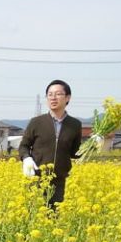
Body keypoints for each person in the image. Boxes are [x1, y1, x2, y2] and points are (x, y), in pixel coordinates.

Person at [18, 79, 84, 208]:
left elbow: (76, 153)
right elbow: (24, 145)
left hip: (58, 181)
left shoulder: (75, 125)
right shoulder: (36, 122)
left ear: (67, 98)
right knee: (34, 215)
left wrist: (98, 143)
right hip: (36, 179)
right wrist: (26, 158)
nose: (53, 98)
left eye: (58, 94)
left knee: (53, 219)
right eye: (50, 94)